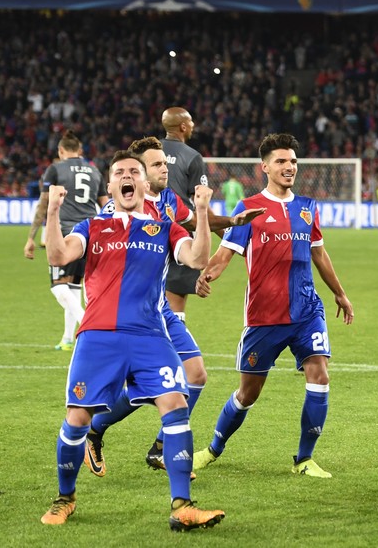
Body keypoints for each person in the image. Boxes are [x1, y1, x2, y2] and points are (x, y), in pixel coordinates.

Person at [40, 150, 224, 531]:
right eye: (119, 173)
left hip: (150, 335)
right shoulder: (92, 227)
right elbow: (58, 254)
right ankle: (65, 498)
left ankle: (182, 506)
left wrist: (203, 213)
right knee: (77, 419)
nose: (126, 177)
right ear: (110, 186)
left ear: (143, 184)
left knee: (175, 403)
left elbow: (197, 257)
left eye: (133, 173)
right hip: (98, 337)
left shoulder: (164, 228)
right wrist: (53, 212)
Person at [81, 137, 264, 477]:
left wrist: (235, 222)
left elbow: (194, 225)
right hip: (128, 316)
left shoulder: (167, 199)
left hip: (159, 307)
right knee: (152, 387)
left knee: (194, 376)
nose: (166, 168)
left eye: (165, 163)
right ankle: (98, 431)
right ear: (137, 174)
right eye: (157, 165)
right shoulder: (116, 213)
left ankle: (158, 446)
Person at [192, 133, 354, 478]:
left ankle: (304, 459)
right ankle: (212, 449)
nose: (289, 167)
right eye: (281, 161)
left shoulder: (308, 207)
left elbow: (318, 253)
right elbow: (225, 254)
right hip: (264, 317)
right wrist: (207, 274)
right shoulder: (248, 208)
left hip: (307, 311)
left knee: (320, 375)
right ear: (264, 167)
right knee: (247, 394)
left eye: (293, 161)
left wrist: (339, 293)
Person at [24, 131, 108, 350]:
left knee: (58, 287)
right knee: (74, 286)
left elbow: (44, 203)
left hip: (66, 232)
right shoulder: (94, 170)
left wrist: (31, 237)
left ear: (61, 151)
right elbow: (107, 204)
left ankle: (87, 325)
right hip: (93, 232)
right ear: (79, 151)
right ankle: (68, 339)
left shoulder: (55, 168)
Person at [161, 107, 207, 323]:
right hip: (180, 234)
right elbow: (201, 204)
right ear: (182, 126)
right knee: (176, 305)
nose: (192, 126)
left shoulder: (148, 152)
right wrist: (226, 228)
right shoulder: (192, 157)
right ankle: (176, 352)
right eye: (190, 122)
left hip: (145, 232)